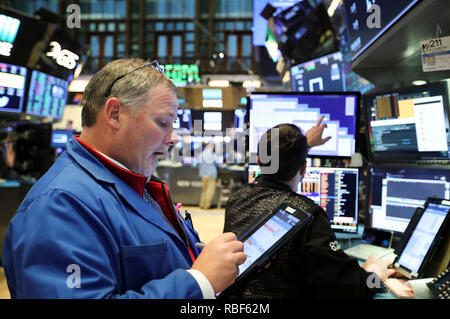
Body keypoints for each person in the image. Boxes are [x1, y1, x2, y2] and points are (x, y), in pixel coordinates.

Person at [2, 58, 246, 299]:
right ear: (115, 114)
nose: (173, 138)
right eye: (162, 122)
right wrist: (198, 282)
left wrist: (216, 259)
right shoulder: (58, 206)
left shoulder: (136, 180)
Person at [223, 122, 394, 299]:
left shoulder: (237, 199)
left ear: (258, 160)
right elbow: (348, 289)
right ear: (304, 168)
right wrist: (375, 275)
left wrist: (305, 144)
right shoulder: (307, 215)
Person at [198, 143, 218, 209]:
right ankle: (206, 206)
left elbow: (199, 164)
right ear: (211, 147)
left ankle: (202, 204)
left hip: (203, 175)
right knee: (210, 191)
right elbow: (217, 163)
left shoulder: (201, 154)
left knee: (204, 190)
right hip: (211, 175)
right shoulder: (212, 155)